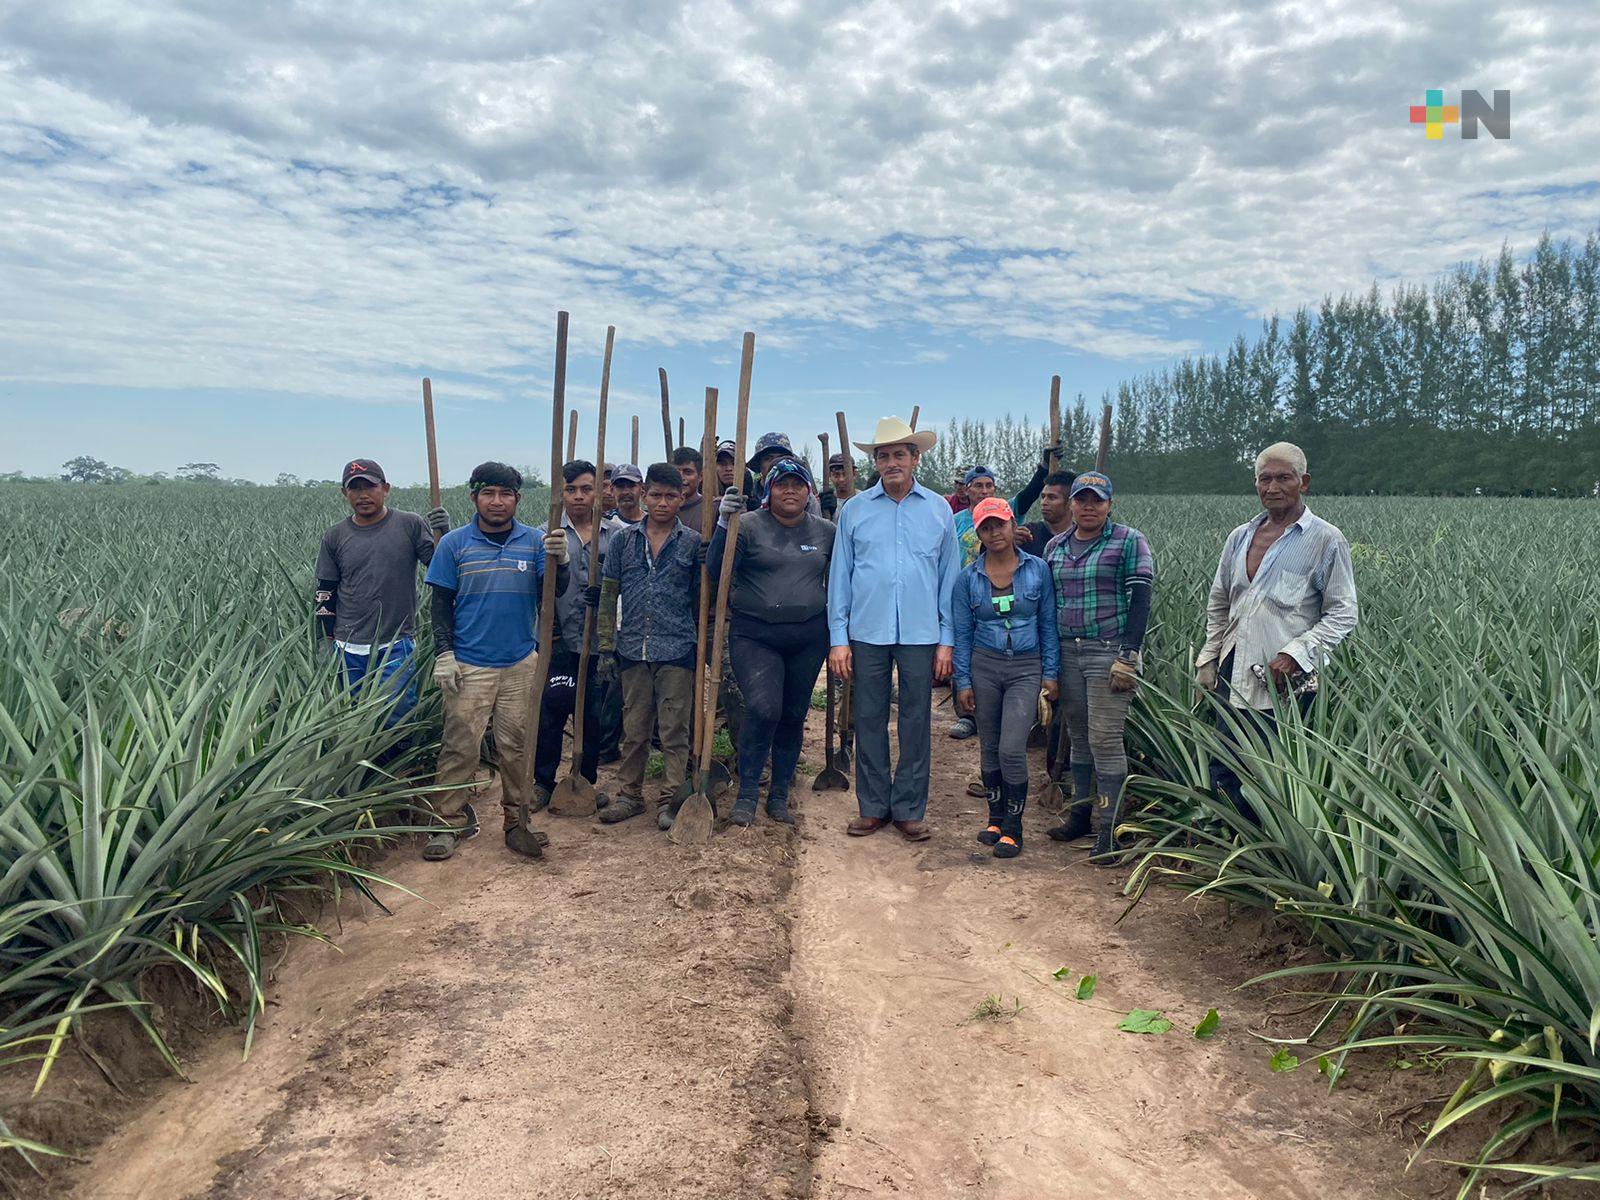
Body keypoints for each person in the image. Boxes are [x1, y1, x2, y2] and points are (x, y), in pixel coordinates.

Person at [1196, 442, 1358, 819]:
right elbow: (1220, 602)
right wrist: (1209, 657)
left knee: (1278, 770)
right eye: (1264, 479)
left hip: (1289, 679)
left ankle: (1271, 846)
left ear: (1304, 482)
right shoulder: (1239, 537)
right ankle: (1230, 842)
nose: (1272, 487)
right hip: (1234, 666)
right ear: (1256, 483)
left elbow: (1344, 612)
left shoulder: (1325, 539)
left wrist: (1295, 654)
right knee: (1226, 761)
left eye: (1283, 478)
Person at [424, 462, 568, 861]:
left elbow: (553, 593)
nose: (497, 501)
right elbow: (440, 604)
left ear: (517, 499)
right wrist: (444, 653)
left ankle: (517, 821)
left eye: (506, 494)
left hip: (520, 663)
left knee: (517, 746)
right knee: (460, 747)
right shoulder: (453, 544)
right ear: (474, 498)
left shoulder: (536, 541)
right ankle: (447, 822)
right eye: (488, 493)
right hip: (469, 664)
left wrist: (562, 562)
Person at [827, 416, 958, 841]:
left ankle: (909, 808)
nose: (891, 462)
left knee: (916, 720)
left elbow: (949, 579)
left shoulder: (938, 509)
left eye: (899, 454)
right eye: (883, 456)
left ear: (915, 458)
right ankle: (873, 806)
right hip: (867, 631)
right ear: (877, 463)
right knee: (868, 717)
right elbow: (841, 577)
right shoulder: (855, 510)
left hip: (922, 633)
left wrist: (947, 639)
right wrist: (839, 639)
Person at [707, 458, 835, 826]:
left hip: (808, 637)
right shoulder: (747, 525)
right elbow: (716, 570)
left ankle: (779, 794)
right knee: (764, 708)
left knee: (793, 714)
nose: (790, 490)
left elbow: (842, 580)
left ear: (808, 491)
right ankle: (748, 792)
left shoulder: (826, 531)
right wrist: (723, 524)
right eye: (782, 484)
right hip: (755, 634)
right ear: (769, 490)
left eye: (798, 484)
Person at [1041, 471, 1154, 862]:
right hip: (1067, 650)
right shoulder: (1055, 546)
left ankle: (1109, 830)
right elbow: (1048, 604)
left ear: (1109, 505)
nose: (1089, 507)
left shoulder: (1129, 541)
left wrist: (1129, 655)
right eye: (1082, 499)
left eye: (1097, 500)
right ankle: (1079, 816)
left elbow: (1140, 600)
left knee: (1105, 738)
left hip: (1108, 652)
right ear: (1072, 504)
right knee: (1078, 734)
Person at [597, 463, 702, 828]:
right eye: (655, 495)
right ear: (644, 495)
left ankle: (671, 799)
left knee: (674, 730)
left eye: (671, 496)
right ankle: (629, 795)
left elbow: (699, 597)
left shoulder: (692, 542)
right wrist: (606, 645)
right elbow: (609, 594)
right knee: (635, 728)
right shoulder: (623, 541)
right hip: (632, 648)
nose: (662, 503)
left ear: (682, 498)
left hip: (676, 647)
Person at [953, 498, 1059, 858]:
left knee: (1012, 748)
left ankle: (1014, 827)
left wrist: (1050, 673)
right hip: (984, 664)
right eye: (985, 527)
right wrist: (963, 681)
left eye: (999, 524)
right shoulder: (968, 578)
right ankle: (994, 820)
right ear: (978, 534)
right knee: (989, 745)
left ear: (1013, 525)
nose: (994, 533)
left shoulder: (1038, 570)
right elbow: (963, 634)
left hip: (1025, 667)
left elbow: (1048, 624)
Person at [314, 459, 449, 727]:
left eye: (370, 487)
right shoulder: (335, 535)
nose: (362, 495)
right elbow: (325, 591)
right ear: (344, 493)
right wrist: (324, 640)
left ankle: (400, 757)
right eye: (355, 488)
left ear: (386, 489)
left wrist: (444, 534)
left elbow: (441, 569)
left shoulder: (409, 524)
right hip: (346, 644)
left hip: (395, 642)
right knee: (350, 716)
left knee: (396, 714)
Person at [532, 460, 626, 808]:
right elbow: (537, 588)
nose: (578, 496)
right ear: (560, 493)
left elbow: (627, 583)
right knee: (552, 710)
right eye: (570, 490)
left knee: (592, 715)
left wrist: (609, 594)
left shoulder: (616, 535)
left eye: (586, 489)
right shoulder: (546, 535)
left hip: (599, 641)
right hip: (557, 640)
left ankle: (585, 780)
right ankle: (543, 782)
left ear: (599, 491)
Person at [672, 446, 705, 531]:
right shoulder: (661, 509)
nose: (680, 477)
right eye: (675, 472)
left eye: (688, 472)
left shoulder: (713, 508)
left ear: (701, 476)